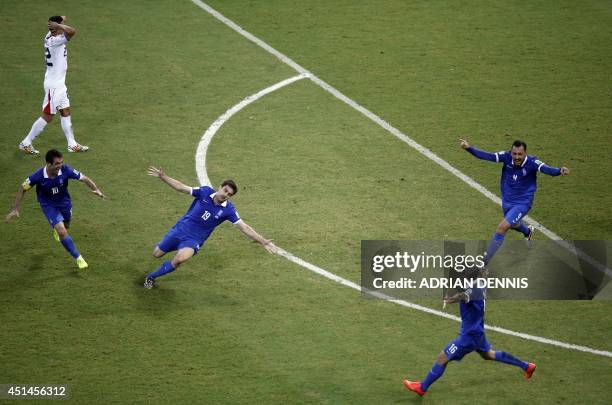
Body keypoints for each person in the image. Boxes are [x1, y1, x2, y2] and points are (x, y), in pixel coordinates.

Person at [144, 166, 278, 289]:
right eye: (225, 190)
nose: (225, 195)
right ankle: (163, 258)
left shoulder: (228, 210)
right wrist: (163, 176)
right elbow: (181, 187)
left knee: (180, 258)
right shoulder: (205, 192)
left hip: (193, 241)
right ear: (220, 187)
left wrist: (263, 241)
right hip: (179, 230)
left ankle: (151, 277)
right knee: (156, 254)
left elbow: (244, 227)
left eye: (229, 194)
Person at [403, 281, 536, 396]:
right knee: (489, 354)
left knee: (442, 358)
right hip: (478, 333)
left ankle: (422, 388)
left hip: (468, 338)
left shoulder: (471, 291)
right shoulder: (481, 284)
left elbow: (463, 295)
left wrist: (449, 300)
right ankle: (526, 366)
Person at [459, 139, 570, 266]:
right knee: (513, 224)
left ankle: (483, 263)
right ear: (511, 152)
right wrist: (468, 148)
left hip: (523, 202)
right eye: (514, 154)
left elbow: (546, 169)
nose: (517, 157)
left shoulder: (532, 162)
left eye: (520, 154)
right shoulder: (506, 157)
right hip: (507, 202)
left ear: (525, 153)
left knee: (502, 227)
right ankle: (528, 232)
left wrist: (559, 170)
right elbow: (487, 156)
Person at [5, 149, 105, 269]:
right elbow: (23, 188)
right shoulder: (38, 176)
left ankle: (57, 229)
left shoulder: (65, 170)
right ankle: (78, 258)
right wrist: (16, 208)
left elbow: (84, 178)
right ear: (48, 164)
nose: (60, 165)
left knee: (66, 225)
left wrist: (96, 189)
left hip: (64, 202)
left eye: (61, 162)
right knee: (62, 231)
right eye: (57, 163)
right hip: (48, 205)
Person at [19, 16, 89, 155]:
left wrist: (59, 20)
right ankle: (26, 142)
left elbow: (60, 25)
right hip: (54, 86)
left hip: (59, 84)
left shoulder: (49, 35)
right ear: (57, 28)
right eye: (61, 25)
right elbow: (72, 31)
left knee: (65, 111)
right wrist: (60, 25)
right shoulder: (56, 41)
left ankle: (72, 144)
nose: (64, 26)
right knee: (48, 116)